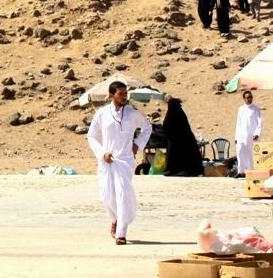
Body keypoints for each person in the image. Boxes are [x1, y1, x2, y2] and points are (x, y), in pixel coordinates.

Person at [87, 81, 151, 245]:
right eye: (120, 94)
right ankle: (115, 219)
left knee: (123, 194)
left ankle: (121, 232)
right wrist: (102, 153)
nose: (124, 97)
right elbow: (92, 136)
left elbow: (147, 127)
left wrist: (138, 144)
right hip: (107, 161)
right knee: (107, 196)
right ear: (111, 95)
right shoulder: (102, 114)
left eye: (125, 93)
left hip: (125, 160)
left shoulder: (131, 113)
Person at [161, 98, 204, 177]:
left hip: (175, 141)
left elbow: (165, 128)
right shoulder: (181, 114)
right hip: (185, 140)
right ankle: (184, 171)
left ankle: (175, 171)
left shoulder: (170, 115)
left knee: (174, 154)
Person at [234, 91, 262, 175]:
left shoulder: (256, 109)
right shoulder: (241, 109)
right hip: (241, 135)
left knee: (250, 154)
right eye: (248, 97)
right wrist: (236, 137)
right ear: (244, 99)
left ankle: (250, 172)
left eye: (251, 97)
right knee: (240, 152)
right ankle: (240, 172)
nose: (249, 99)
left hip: (252, 135)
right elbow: (238, 123)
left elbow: (260, 122)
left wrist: (257, 133)